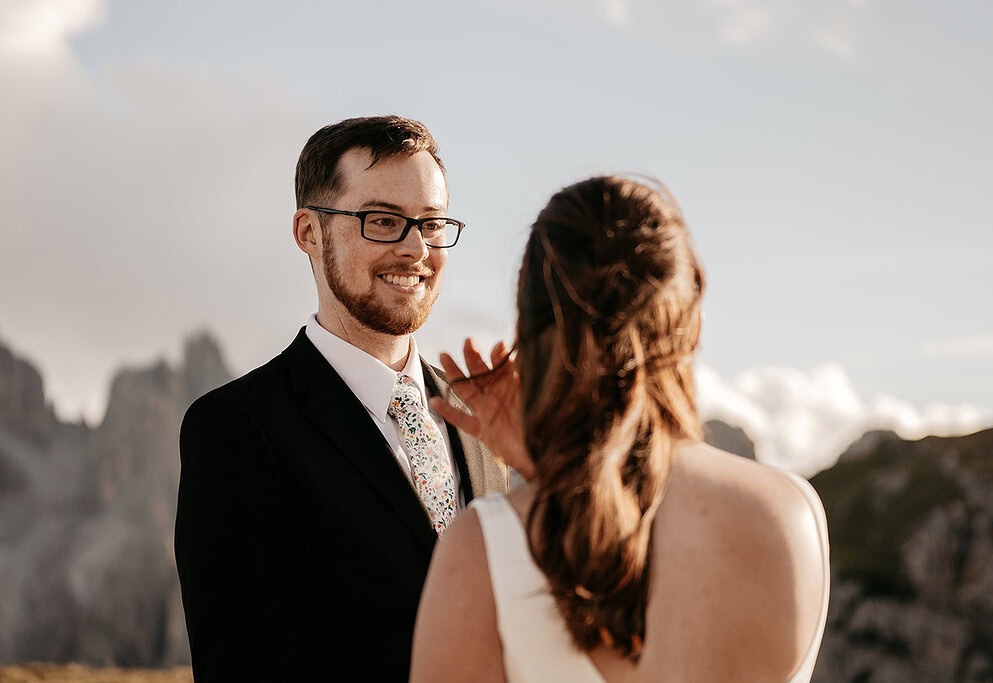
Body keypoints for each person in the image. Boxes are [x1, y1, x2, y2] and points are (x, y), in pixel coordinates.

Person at [411, 176, 830, 682]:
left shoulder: (487, 548)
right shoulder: (793, 512)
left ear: (527, 330)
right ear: (691, 319)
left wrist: (544, 472)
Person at [174, 115, 508, 682]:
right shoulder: (238, 428)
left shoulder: (483, 419)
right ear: (308, 231)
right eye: (382, 221)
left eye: (431, 224)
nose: (415, 249)